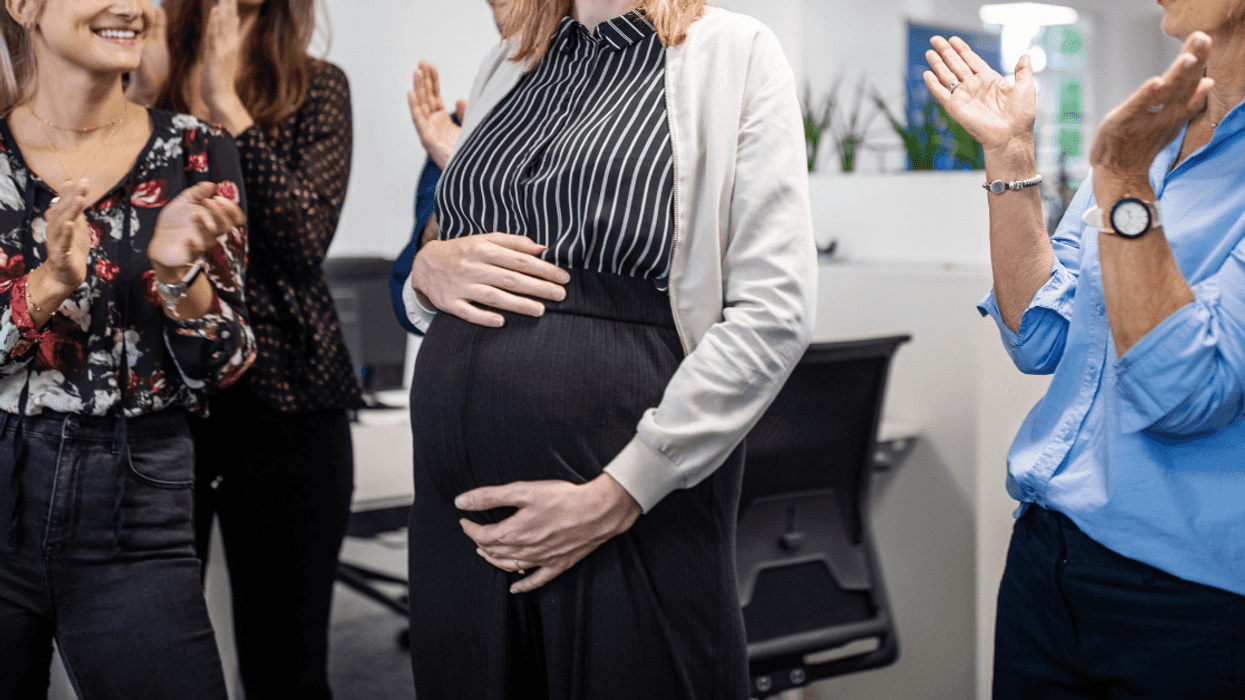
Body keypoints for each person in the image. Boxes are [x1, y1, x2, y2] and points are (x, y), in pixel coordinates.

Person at [400, 0, 817, 696]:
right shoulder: (508, 62)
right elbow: (453, 250)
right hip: (455, 516)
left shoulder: (733, 51)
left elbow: (775, 310)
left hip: (622, 501)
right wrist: (425, 266)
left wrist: (620, 493)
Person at [924, 0, 1245, 695]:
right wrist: (1009, 152)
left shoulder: (1133, 155)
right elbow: (1039, 336)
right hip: (1049, 559)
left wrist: (1125, 186)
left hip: (1192, 603)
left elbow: (1186, 395)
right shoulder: (1154, 128)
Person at [0, 0, 254, 696]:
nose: (133, 6)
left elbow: (228, 361)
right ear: (23, 7)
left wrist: (178, 276)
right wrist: (49, 284)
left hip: (137, 502)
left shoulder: (198, 151)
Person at [131, 0, 361, 696]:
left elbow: (299, 244)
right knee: (150, 666)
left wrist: (225, 101)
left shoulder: (318, 86)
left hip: (289, 401)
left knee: (285, 668)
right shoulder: (135, 94)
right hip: (162, 408)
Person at [389, 0, 507, 332]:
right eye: (499, 4)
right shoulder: (460, 127)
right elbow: (405, 294)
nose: (513, 15)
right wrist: (464, 175)